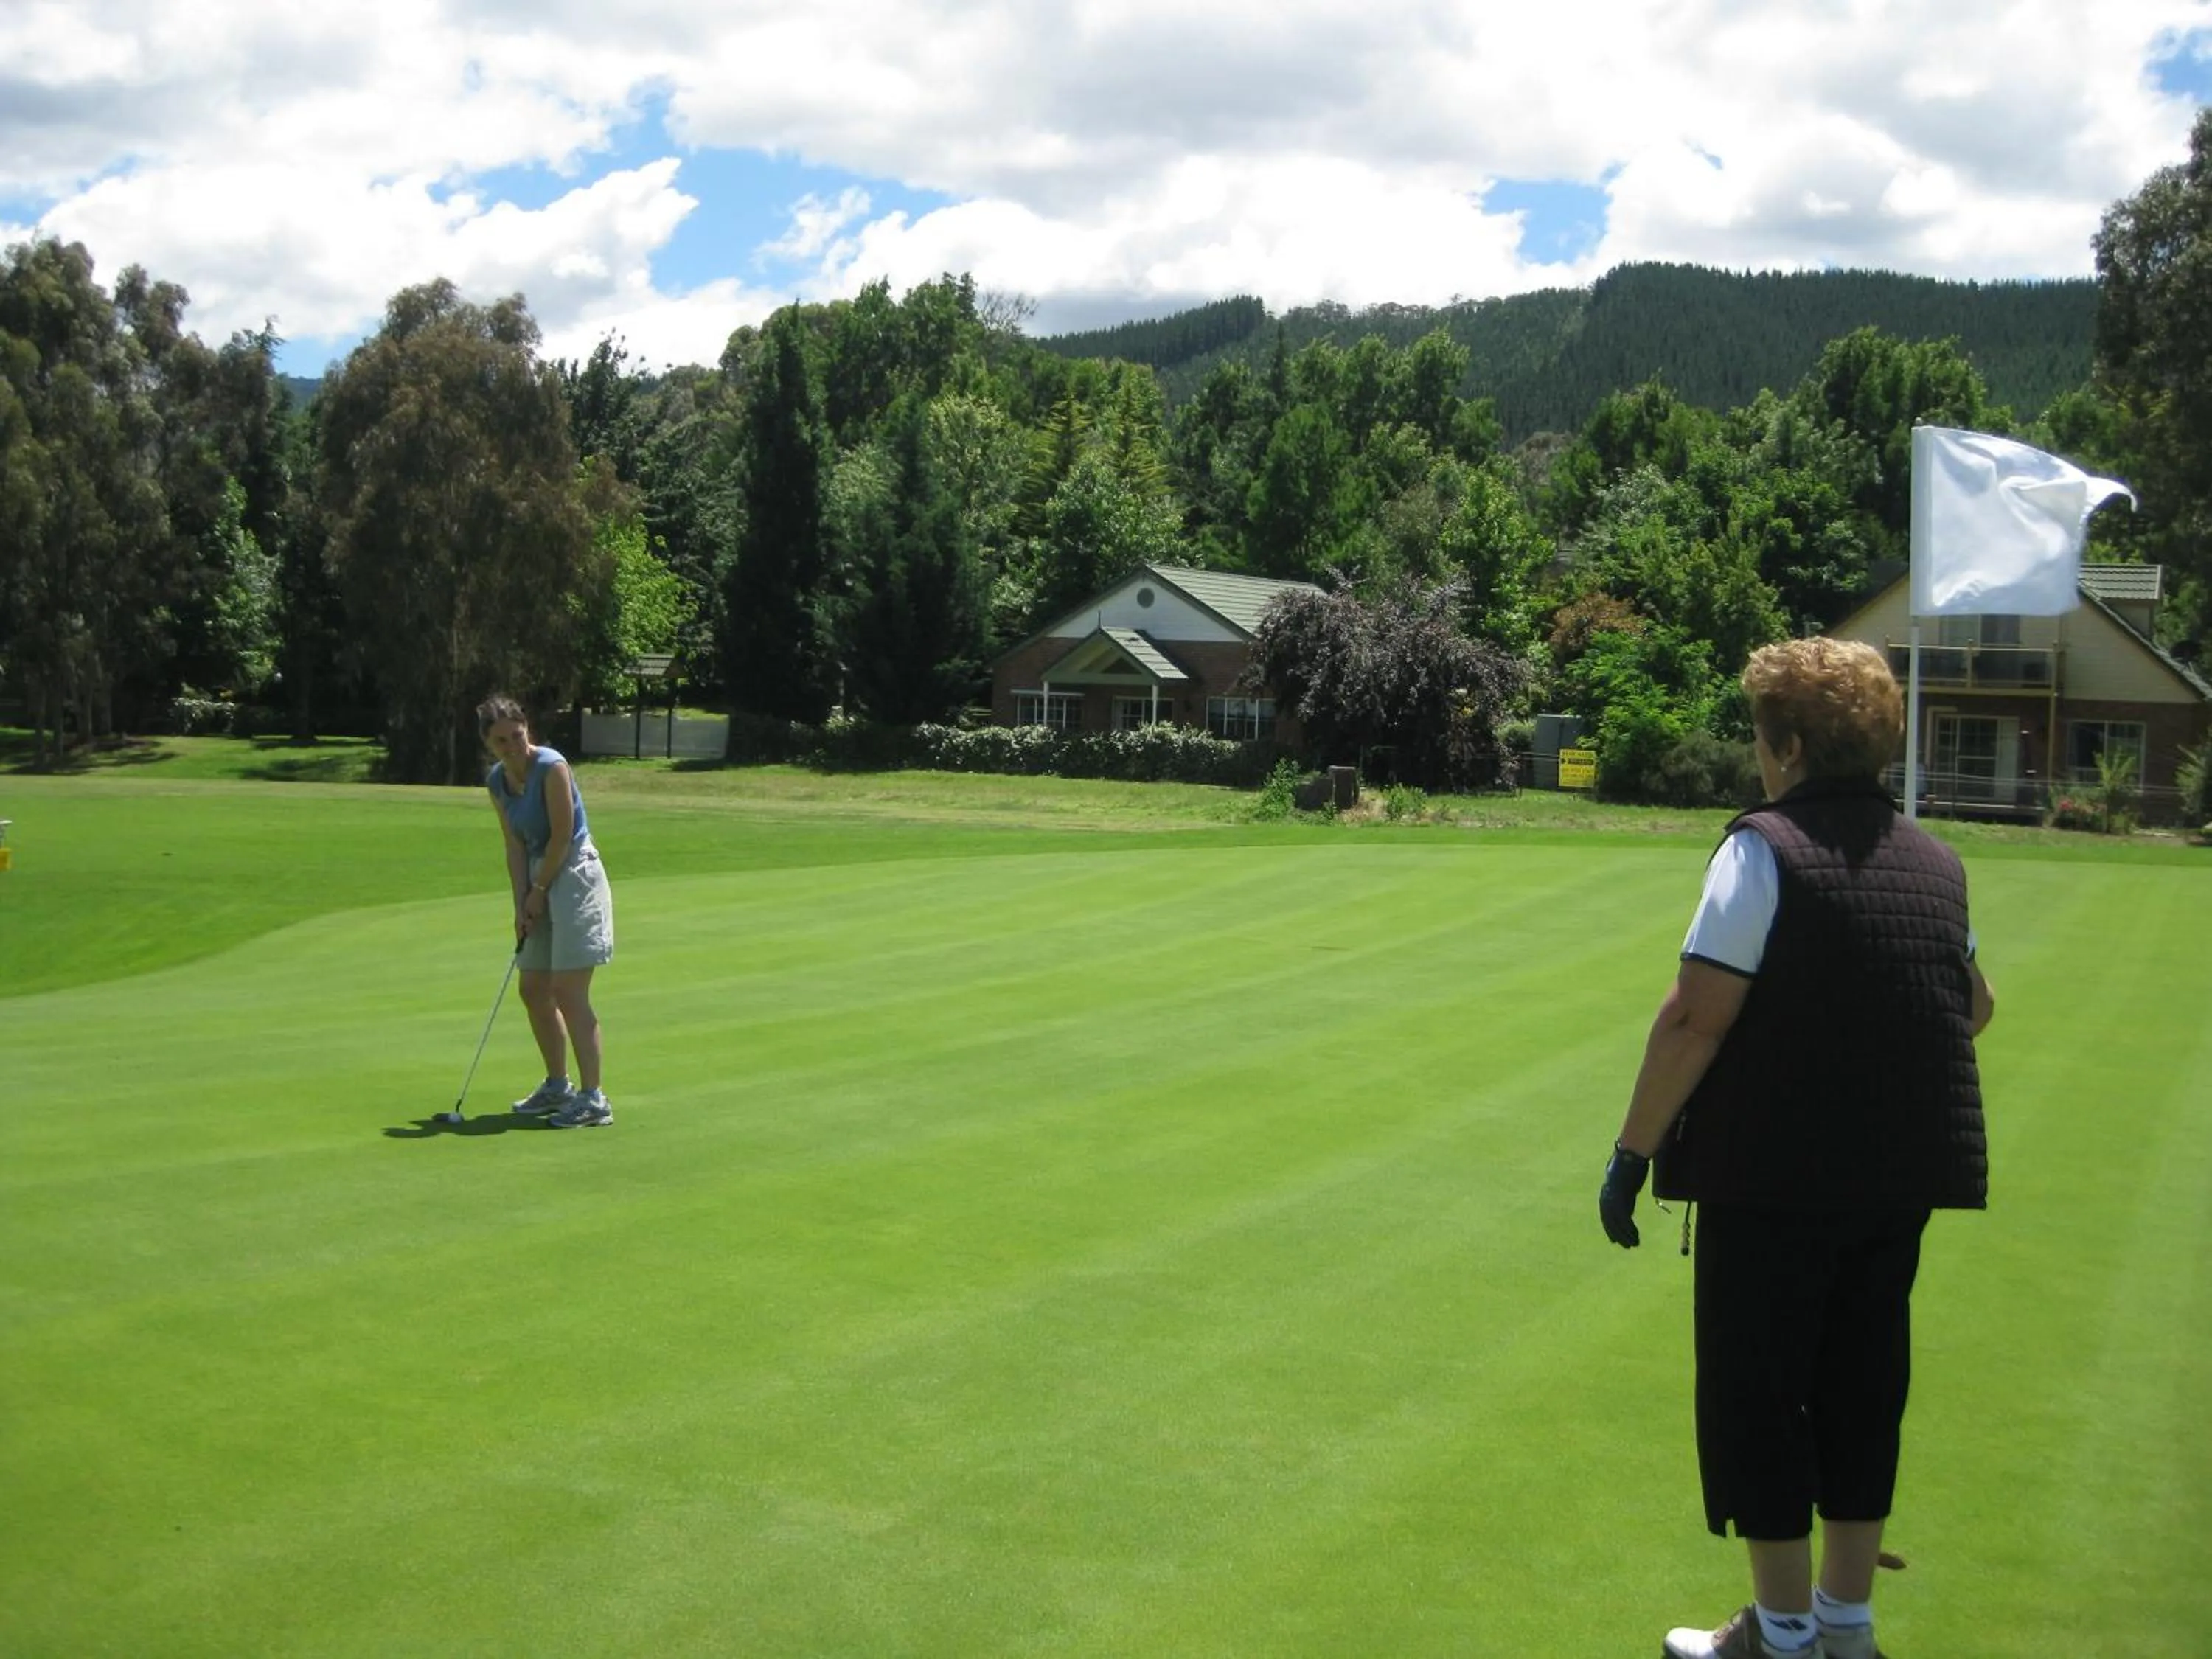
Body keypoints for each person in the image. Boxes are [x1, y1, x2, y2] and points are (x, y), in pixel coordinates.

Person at [1596, 638, 1995, 1659]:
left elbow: (1697, 1015)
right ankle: (1847, 1628)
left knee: (1759, 1392)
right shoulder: (1933, 860)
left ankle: (1778, 1635)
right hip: (1896, 1174)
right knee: (1865, 1382)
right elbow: (1974, 1004)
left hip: (1769, 1178)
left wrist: (1633, 1154)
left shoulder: (1760, 847)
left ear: (1788, 744)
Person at [479, 695, 616, 1129]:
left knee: (568, 989)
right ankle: (559, 1086)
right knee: (533, 987)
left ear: (527, 729)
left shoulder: (553, 766)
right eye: (501, 741)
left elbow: (561, 835)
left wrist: (538, 891)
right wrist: (520, 902)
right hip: (537, 873)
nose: (512, 746)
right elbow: (514, 844)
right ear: (488, 743)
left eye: (517, 736)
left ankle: (594, 1099)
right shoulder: (497, 781)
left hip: (574, 870)